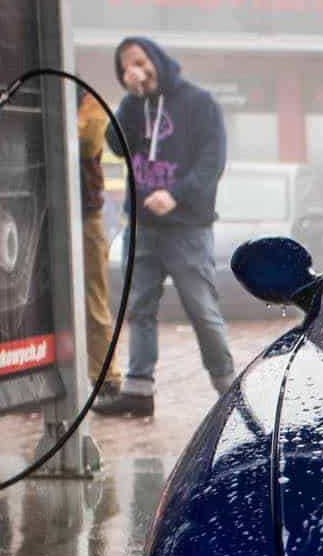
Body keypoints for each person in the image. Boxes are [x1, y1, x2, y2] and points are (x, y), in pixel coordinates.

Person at [92, 36, 235, 418]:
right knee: (138, 307)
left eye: (139, 61)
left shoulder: (198, 103)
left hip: (187, 227)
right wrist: (130, 99)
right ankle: (139, 390)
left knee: (201, 308)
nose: (133, 70)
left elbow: (212, 162)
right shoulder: (134, 106)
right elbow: (115, 144)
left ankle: (228, 387)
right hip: (143, 226)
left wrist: (176, 194)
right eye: (124, 67)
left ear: (156, 59)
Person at [75, 88, 115, 392]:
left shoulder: (88, 102)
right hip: (48, 212)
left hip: (86, 215)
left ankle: (105, 376)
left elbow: (87, 144)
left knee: (93, 298)